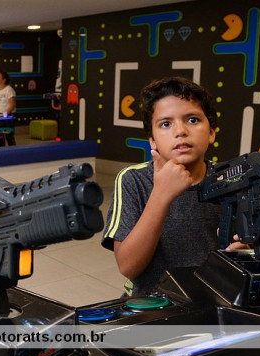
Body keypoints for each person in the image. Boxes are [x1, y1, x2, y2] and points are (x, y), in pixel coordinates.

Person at [102, 76, 246, 296]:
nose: (180, 131)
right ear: (152, 140)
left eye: (193, 120)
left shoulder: (231, 179)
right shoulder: (133, 180)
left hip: (215, 299)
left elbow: (249, 251)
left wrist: (245, 252)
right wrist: (161, 193)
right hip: (152, 303)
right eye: (166, 124)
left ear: (211, 132)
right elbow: (128, 267)